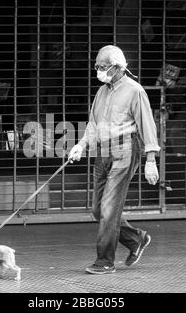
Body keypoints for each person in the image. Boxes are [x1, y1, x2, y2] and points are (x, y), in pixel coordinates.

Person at [68, 45, 160, 275]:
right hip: (103, 150)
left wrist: (151, 160)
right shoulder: (102, 92)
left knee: (109, 210)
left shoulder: (135, 91)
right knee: (98, 211)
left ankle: (104, 261)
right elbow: (93, 124)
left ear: (118, 67)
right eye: (97, 66)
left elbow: (147, 125)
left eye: (103, 67)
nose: (98, 70)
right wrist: (80, 145)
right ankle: (136, 239)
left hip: (126, 149)